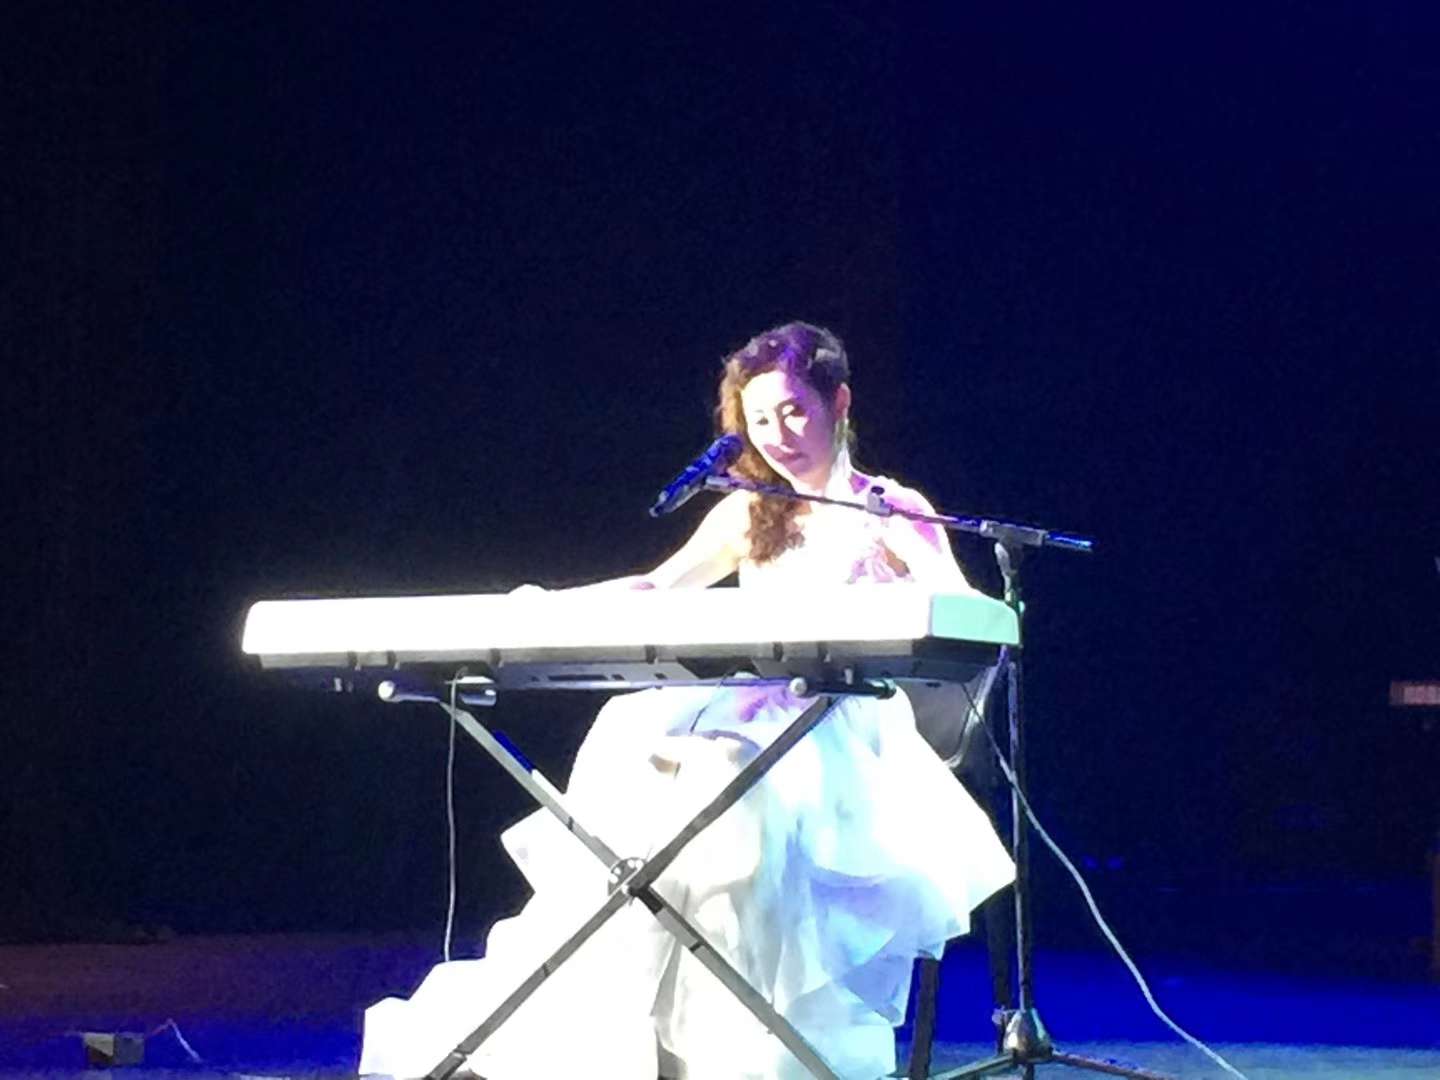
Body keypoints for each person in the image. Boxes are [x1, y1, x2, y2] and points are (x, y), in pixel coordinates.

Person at [359, 322, 1015, 1080]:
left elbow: (964, 610)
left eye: (794, 412)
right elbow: (658, 587)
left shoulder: (886, 506)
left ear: (839, 403)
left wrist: (912, 575)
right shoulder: (749, 511)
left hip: (848, 714)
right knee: (639, 742)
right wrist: (549, 605)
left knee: (734, 782)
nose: (777, 435)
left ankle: (767, 1044)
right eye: (759, 419)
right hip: (760, 706)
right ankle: (645, 1033)